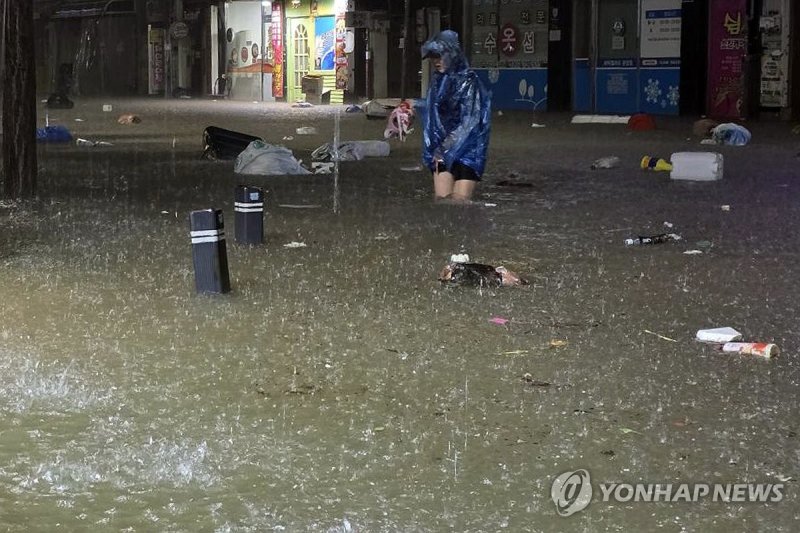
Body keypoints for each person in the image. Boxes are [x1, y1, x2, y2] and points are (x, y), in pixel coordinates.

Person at [419, 30, 491, 202]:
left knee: (459, 203)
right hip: (441, 151)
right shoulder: (437, 81)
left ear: (451, 54)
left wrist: (445, 146)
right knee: (442, 202)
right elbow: (431, 111)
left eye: (439, 56)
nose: (435, 61)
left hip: (468, 153)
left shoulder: (470, 82)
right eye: (432, 57)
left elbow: (470, 121)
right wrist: (410, 108)